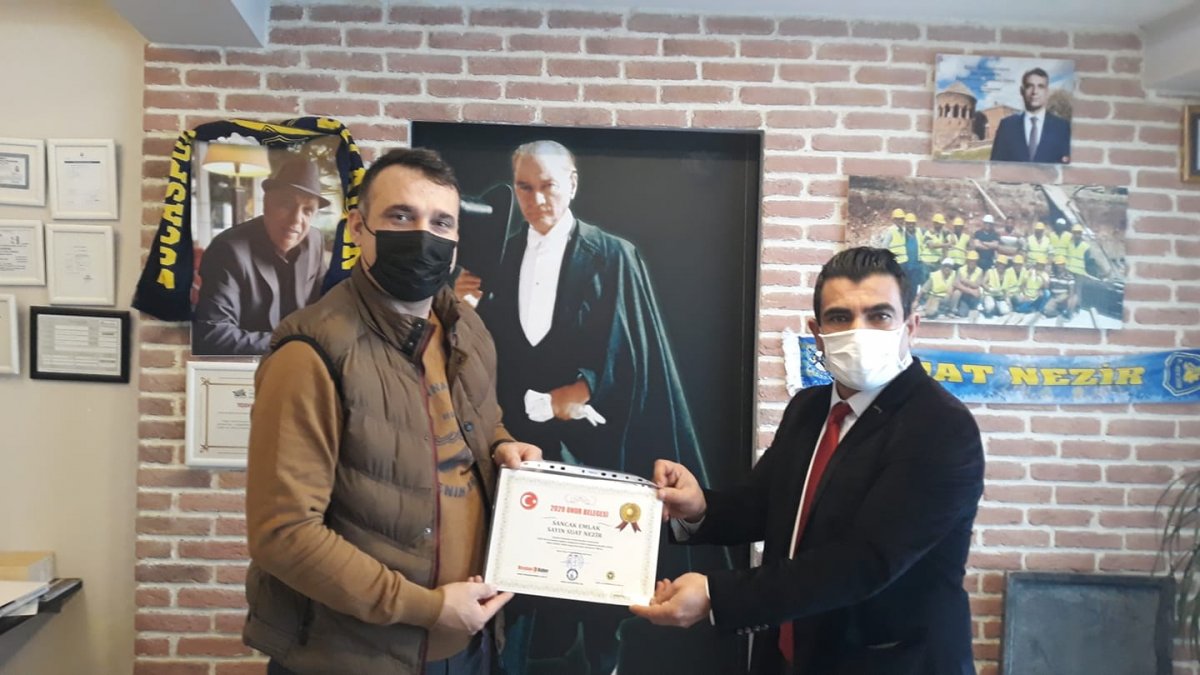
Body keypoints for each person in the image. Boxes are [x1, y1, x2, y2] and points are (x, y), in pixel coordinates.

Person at [242, 148, 543, 675]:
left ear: (456, 238)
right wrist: (427, 608)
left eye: (441, 223)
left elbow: (481, 421)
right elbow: (284, 535)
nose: (424, 236)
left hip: (469, 648)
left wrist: (501, 446)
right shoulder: (311, 355)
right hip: (351, 658)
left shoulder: (467, 329)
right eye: (401, 216)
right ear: (359, 228)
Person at [632, 246, 984, 675]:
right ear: (818, 333)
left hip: (889, 663)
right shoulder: (809, 408)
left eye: (879, 316)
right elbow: (764, 506)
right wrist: (699, 507)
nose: (859, 331)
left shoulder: (940, 426)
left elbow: (864, 562)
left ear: (910, 326)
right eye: (840, 317)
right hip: (789, 654)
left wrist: (716, 595)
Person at [468, 140, 709, 673]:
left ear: (572, 184)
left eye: (548, 186)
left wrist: (575, 393)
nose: (536, 200)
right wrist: (467, 302)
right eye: (525, 188)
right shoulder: (499, 255)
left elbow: (630, 352)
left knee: (603, 595)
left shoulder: (615, 255)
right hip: (523, 451)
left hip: (601, 450)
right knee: (521, 586)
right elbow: (485, 344)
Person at [192, 157, 330, 356]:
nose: (296, 220)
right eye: (286, 204)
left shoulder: (314, 241)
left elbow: (324, 307)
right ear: (267, 204)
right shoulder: (228, 250)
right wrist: (294, 344)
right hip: (247, 366)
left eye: (307, 210)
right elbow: (212, 335)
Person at [989, 67, 1071, 164]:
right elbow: (995, 166)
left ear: (1047, 92)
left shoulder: (1062, 127)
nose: (1034, 92)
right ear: (1022, 91)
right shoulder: (1007, 126)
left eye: (1040, 86)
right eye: (1029, 86)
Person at [885, 212, 928, 289]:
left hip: (916, 265)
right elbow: (885, 246)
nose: (911, 225)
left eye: (913, 223)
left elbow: (931, 232)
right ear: (905, 224)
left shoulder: (919, 231)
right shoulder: (900, 231)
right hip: (904, 264)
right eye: (908, 223)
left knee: (914, 287)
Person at [950, 250, 984, 318]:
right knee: (957, 292)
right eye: (970, 261)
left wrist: (965, 281)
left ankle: (975, 307)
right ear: (967, 261)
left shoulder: (980, 271)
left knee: (979, 291)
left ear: (976, 261)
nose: (972, 263)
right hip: (964, 295)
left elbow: (976, 285)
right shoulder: (961, 269)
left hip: (972, 297)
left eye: (973, 261)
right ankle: (952, 310)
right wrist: (970, 291)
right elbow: (956, 283)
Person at [1043, 254, 1077, 319]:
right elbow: (1047, 286)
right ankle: (1059, 311)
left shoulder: (1069, 276)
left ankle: (1069, 313)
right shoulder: (1052, 274)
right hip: (1054, 297)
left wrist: (1065, 298)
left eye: (1061, 264)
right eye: (1058, 264)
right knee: (1046, 310)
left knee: (1075, 297)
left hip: (1064, 298)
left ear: (1064, 265)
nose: (1059, 266)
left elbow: (1071, 291)